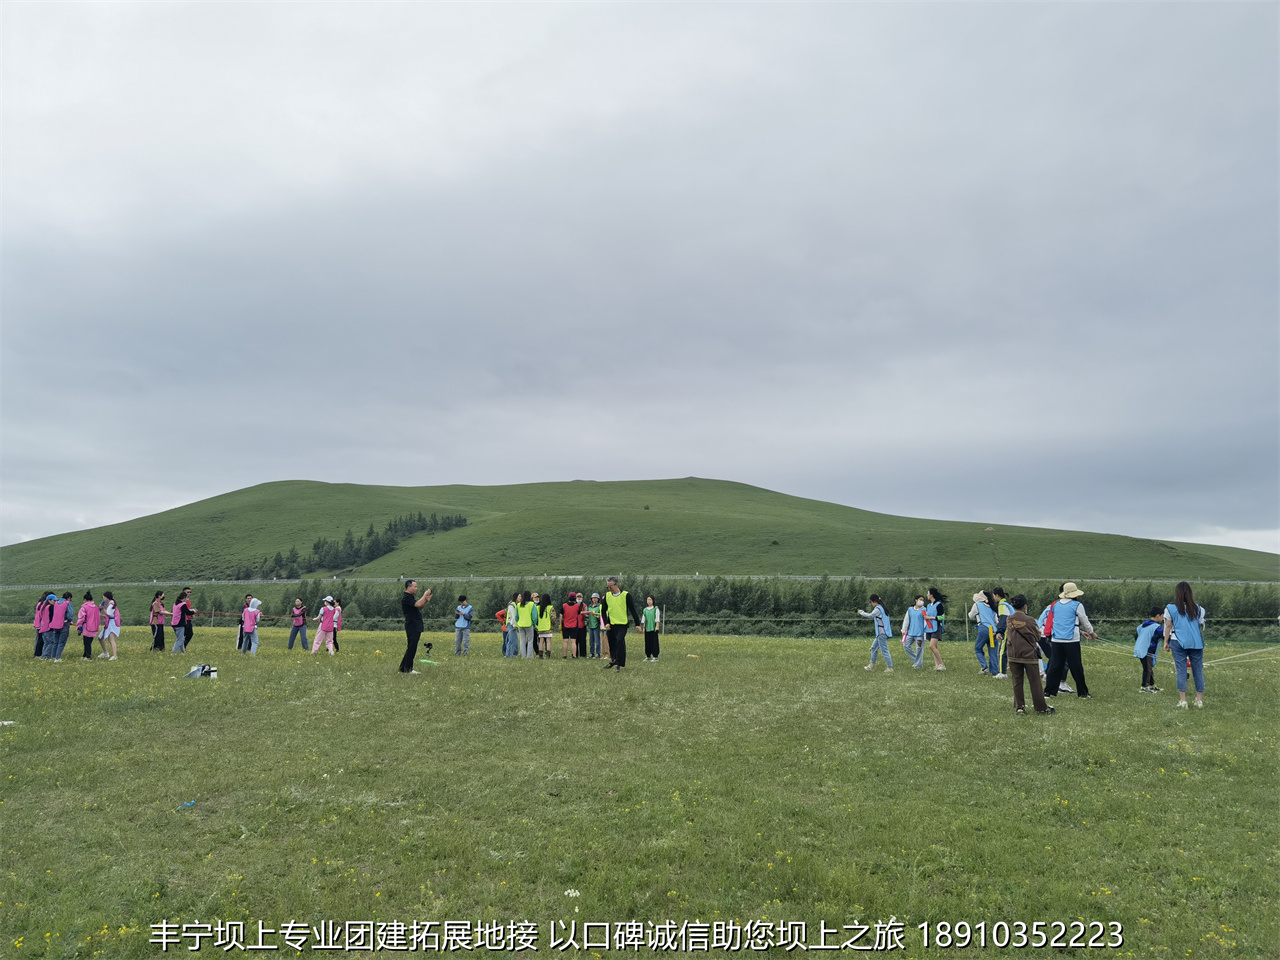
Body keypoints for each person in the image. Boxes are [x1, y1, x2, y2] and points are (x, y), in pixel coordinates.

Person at [1044, 582, 1098, 699]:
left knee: (1055, 666)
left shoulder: (1056, 605)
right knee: (1076, 666)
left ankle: (1048, 692)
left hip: (1057, 639)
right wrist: (1091, 633)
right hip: (1071, 641)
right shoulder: (1077, 605)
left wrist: (1081, 632)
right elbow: (1084, 621)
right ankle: (1082, 693)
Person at [1005, 595, 1053, 715]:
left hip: (1013, 653)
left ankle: (1019, 707)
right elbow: (1037, 636)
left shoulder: (1009, 619)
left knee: (1017, 681)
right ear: (1025, 606)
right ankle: (1041, 707)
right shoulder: (1030, 620)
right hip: (1028, 654)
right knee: (1035, 681)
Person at [1164, 581, 1206, 709]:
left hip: (1177, 641)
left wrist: (1166, 641)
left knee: (1181, 670)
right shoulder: (1198, 608)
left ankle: (1183, 700)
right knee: (1198, 670)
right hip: (1196, 642)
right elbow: (1199, 623)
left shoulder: (1170, 608)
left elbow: (1168, 626)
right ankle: (1199, 700)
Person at [601, 577, 641, 672]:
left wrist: (637, 624)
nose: (609, 588)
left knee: (619, 641)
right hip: (611, 624)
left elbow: (633, 610)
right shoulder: (607, 596)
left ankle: (618, 664)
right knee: (612, 643)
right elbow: (603, 612)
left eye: (610, 586)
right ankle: (614, 660)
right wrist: (606, 623)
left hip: (622, 624)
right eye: (608, 587)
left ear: (616, 585)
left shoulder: (626, 595)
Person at [399, 581, 432, 674]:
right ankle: (408, 669)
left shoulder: (411, 597)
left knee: (412, 646)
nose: (416, 588)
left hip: (416, 623)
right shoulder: (406, 598)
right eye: (415, 586)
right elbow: (417, 604)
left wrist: (426, 600)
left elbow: (419, 607)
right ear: (409, 587)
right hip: (412, 624)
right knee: (412, 647)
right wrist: (424, 594)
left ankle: (403, 667)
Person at [857, 594, 895, 671]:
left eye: (871, 602)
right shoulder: (882, 608)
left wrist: (861, 612)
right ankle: (871, 666)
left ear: (874, 601)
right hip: (882, 633)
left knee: (884, 651)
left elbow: (870, 615)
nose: (871, 604)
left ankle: (890, 667)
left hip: (881, 633)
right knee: (873, 648)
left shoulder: (878, 609)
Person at [969, 591, 1000, 675]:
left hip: (984, 628)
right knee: (993, 651)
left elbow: (971, 616)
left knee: (978, 648)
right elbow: (997, 621)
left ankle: (984, 666)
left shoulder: (977, 605)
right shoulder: (992, 607)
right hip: (993, 630)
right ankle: (995, 671)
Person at [992, 587, 1013, 679]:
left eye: (993, 596)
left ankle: (1002, 672)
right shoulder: (1007, 604)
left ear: (997, 595)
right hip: (1013, 629)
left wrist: (999, 631)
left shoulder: (1001, 605)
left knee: (1002, 651)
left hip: (1007, 629)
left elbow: (1003, 619)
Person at [924, 588, 947, 671]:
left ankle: (941, 664)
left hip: (936, 627)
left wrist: (929, 617)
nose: (927, 595)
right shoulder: (928, 606)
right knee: (935, 647)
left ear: (931, 595)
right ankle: (937, 665)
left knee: (932, 646)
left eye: (928, 593)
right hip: (929, 628)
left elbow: (942, 617)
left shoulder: (939, 605)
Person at [78, 591, 102, 660]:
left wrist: (78, 626)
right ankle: (85, 655)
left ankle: (88, 656)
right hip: (94, 627)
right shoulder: (96, 607)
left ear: (85, 600)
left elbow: (81, 618)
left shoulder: (84, 607)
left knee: (86, 643)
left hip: (87, 627)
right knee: (89, 642)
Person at [561, 592, 586, 659]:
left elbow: (561, 616)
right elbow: (579, 613)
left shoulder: (564, 605)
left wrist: (561, 624)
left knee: (565, 641)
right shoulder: (577, 606)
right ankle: (574, 655)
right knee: (573, 641)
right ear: (575, 598)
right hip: (574, 625)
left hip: (565, 625)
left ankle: (565, 655)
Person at [514, 591, 537, 659]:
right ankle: (529, 656)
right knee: (530, 641)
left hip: (521, 625)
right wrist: (534, 623)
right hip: (529, 624)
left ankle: (523, 656)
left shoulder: (518, 605)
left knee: (522, 641)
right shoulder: (532, 604)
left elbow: (516, 616)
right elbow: (534, 616)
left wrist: (518, 621)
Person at [170, 589, 194, 653]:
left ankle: (183, 652)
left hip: (174, 623)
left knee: (182, 638)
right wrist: (193, 612)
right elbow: (187, 612)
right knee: (180, 640)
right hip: (180, 623)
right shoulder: (183, 604)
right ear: (184, 597)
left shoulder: (175, 604)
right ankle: (173, 652)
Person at [98, 592, 120, 660]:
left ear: (107, 597)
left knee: (111, 639)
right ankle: (105, 653)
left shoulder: (111, 604)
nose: (103, 598)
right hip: (109, 622)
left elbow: (109, 613)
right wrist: (102, 616)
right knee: (100, 637)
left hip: (113, 624)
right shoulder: (111, 604)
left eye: (104, 597)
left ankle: (115, 655)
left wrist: (102, 608)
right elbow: (110, 615)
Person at [641, 595, 661, 662]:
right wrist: (643, 627)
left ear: (653, 601)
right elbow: (644, 619)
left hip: (653, 628)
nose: (649, 601)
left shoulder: (656, 609)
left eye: (650, 600)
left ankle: (655, 656)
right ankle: (648, 655)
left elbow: (657, 618)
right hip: (647, 628)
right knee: (647, 642)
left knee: (654, 642)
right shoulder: (645, 610)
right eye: (648, 600)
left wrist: (657, 626)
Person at [535, 594, 556, 658]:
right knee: (548, 641)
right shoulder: (550, 608)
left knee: (541, 641)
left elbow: (536, 617)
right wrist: (553, 623)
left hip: (540, 627)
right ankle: (548, 655)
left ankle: (540, 654)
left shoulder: (538, 607)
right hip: (548, 627)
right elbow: (553, 618)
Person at [501, 593, 519, 658]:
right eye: (519, 596)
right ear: (516, 597)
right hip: (511, 624)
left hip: (511, 624)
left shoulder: (514, 605)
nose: (520, 598)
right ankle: (511, 654)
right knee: (512, 640)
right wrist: (514, 625)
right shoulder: (512, 606)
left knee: (512, 640)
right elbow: (513, 616)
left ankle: (508, 654)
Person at [586, 593, 603, 659]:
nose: (594, 599)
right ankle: (592, 653)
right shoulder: (590, 606)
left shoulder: (599, 606)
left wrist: (597, 616)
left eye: (596, 598)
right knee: (591, 640)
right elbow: (588, 615)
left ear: (598, 599)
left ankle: (598, 653)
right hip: (590, 625)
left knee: (597, 640)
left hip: (597, 625)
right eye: (593, 598)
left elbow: (601, 615)